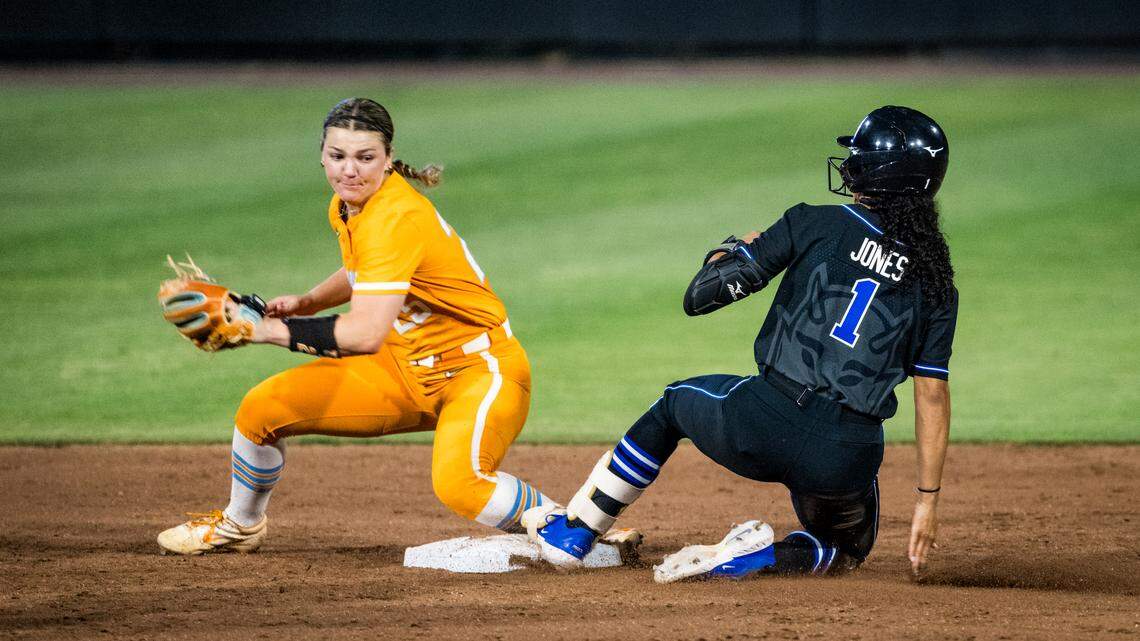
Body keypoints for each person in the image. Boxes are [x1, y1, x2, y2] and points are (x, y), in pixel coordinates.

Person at [523, 106, 957, 581]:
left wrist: (730, 252)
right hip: (844, 455)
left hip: (761, 423)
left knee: (671, 406)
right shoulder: (938, 283)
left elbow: (700, 298)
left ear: (874, 171)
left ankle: (577, 532)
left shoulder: (815, 222)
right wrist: (926, 502)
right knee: (846, 546)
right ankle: (757, 558)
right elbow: (931, 394)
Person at [157, 97, 551, 555]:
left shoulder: (395, 217)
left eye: (365, 158)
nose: (350, 170)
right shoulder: (348, 206)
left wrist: (264, 331)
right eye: (337, 156)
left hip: (478, 372)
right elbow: (361, 273)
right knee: (260, 412)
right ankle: (240, 526)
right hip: (404, 368)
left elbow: (364, 335)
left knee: (460, 484)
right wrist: (307, 301)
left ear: (387, 160)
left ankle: (574, 527)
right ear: (321, 154)